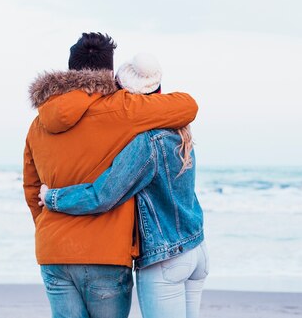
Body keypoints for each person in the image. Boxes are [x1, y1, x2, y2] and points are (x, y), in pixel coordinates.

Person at [23, 34, 199, 318]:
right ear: (109, 72)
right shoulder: (122, 108)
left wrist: (49, 231)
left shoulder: (38, 122)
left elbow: (32, 188)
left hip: (53, 250)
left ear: (70, 69)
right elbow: (187, 107)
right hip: (105, 254)